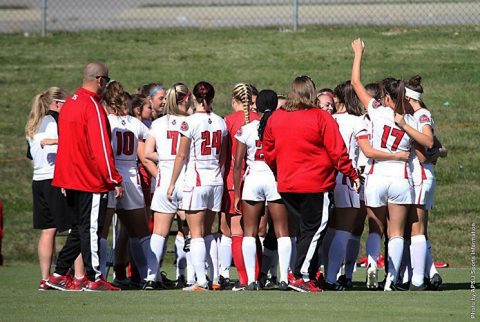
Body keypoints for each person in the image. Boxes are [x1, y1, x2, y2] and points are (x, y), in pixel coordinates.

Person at [263, 76, 360, 293]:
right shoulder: (321, 117)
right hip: (315, 183)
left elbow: (268, 150)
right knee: (315, 228)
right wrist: (352, 174)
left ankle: (303, 271)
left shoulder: (277, 117)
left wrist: (279, 171)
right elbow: (338, 151)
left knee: (304, 231)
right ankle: (300, 274)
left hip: (287, 183)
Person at [351, 39, 433, 291]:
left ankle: (374, 265)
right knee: (397, 232)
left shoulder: (376, 110)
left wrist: (359, 54)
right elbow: (428, 143)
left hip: (376, 176)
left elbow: (355, 84)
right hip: (400, 178)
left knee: (375, 228)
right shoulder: (408, 118)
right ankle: (391, 279)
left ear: (385, 97)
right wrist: (406, 128)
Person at [47, 62, 123, 292]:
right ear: (99, 80)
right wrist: (114, 178)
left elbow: (67, 145)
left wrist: (63, 177)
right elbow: (101, 147)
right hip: (89, 179)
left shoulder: (70, 103)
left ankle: (59, 273)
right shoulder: (92, 106)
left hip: (71, 177)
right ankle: (95, 276)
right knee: (90, 229)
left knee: (80, 229)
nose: (107, 85)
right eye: (107, 80)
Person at [167, 81, 228, 291]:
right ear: (212, 98)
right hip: (215, 181)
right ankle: (215, 277)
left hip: (197, 180)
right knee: (209, 232)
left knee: (196, 233)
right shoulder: (221, 122)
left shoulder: (189, 122)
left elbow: (181, 154)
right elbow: (223, 157)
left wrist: (172, 182)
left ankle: (201, 281)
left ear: (195, 97)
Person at [98, 81, 156, 289]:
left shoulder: (106, 121)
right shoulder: (135, 123)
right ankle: (149, 274)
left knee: (102, 231)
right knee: (140, 232)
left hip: (110, 175)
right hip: (131, 176)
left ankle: (100, 276)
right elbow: (152, 139)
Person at [233, 89, 292, 291]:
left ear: (256, 107)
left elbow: (238, 163)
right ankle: (284, 278)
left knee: (249, 232)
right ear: (276, 106)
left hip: (253, 179)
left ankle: (251, 280)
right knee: (282, 232)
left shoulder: (247, 128)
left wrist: (236, 193)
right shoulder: (283, 127)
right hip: (275, 178)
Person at [25, 87, 74, 290]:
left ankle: (45, 279)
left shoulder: (33, 123)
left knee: (48, 230)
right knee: (75, 228)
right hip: (56, 179)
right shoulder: (55, 121)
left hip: (39, 180)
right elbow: (67, 145)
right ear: (56, 103)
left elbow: (31, 155)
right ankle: (77, 276)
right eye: (66, 102)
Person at [143, 83, 191, 290]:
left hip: (164, 182)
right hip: (187, 180)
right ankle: (187, 277)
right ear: (184, 99)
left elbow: (146, 153)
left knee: (159, 232)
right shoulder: (191, 122)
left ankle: (151, 277)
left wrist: (165, 158)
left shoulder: (159, 123)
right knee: (188, 232)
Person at [403, 74, 447, 290]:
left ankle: (418, 280)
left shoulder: (419, 115)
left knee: (416, 229)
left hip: (420, 175)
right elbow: (441, 148)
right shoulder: (422, 114)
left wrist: (428, 155)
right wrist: (436, 154)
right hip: (424, 174)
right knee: (420, 229)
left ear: (409, 98)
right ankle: (431, 273)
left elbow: (428, 142)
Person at [222, 83, 259, 290]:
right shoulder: (260, 120)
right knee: (254, 234)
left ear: (233, 100)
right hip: (256, 177)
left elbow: (225, 156)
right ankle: (257, 276)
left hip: (233, 181)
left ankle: (244, 279)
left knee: (237, 233)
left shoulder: (228, 121)